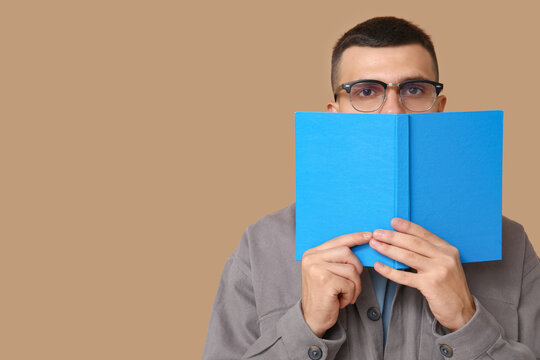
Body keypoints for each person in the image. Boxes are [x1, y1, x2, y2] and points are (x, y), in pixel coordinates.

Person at [202, 17, 540, 359]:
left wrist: (466, 321)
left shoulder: (512, 246)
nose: (393, 111)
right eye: (366, 91)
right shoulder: (261, 248)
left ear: (440, 109)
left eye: (414, 90)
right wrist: (306, 327)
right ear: (336, 114)